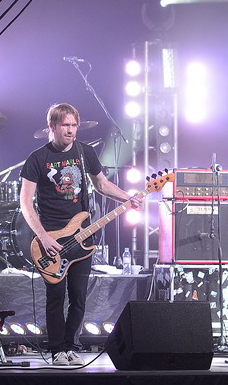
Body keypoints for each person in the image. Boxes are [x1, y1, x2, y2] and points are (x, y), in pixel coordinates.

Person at [19, 103, 142, 366]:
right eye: (65, 125)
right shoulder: (37, 159)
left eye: (74, 125)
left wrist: (128, 197)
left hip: (82, 236)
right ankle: (57, 351)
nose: (71, 130)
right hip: (52, 237)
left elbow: (101, 184)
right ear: (52, 126)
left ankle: (71, 347)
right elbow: (26, 203)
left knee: (78, 297)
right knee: (56, 297)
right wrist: (43, 237)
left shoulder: (85, 153)